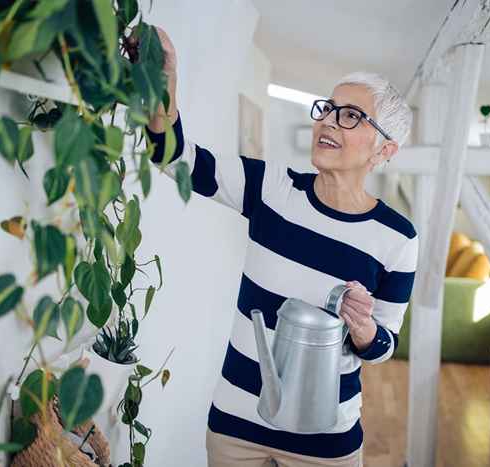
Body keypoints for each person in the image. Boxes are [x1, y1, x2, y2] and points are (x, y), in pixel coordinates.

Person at [136, 26, 418, 467]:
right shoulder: (272, 187)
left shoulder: (398, 237)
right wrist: (162, 83)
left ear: (384, 150)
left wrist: (362, 328)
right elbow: (175, 157)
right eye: (328, 109)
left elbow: (384, 345)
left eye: (350, 116)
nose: (327, 121)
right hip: (236, 426)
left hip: (325, 442)